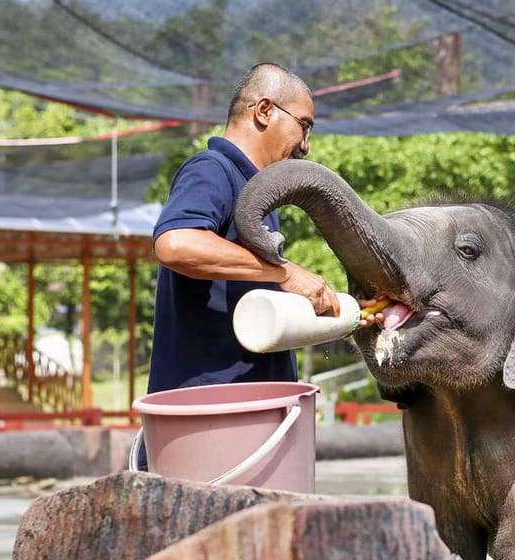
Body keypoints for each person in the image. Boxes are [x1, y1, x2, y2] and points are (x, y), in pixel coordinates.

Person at [141, 63, 380, 468]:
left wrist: (343, 313)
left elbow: (253, 309)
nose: (306, 144)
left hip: (249, 420)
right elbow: (175, 244)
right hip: (208, 423)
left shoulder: (259, 194)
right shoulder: (213, 171)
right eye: (304, 125)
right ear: (264, 111)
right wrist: (284, 272)